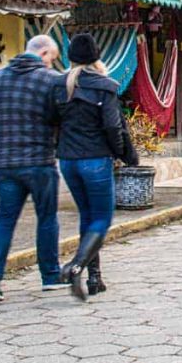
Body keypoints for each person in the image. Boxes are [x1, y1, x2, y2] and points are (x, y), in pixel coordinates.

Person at [53, 33, 138, 301]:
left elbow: (52, 123)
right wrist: (124, 155)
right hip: (95, 160)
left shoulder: (58, 86)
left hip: (68, 161)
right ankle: (76, 266)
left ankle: (95, 277)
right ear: (97, 57)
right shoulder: (105, 87)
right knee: (102, 218)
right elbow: (114, 126)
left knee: (88, 218)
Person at [0, 35, 64, 302]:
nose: (52, 63)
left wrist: (5, 143)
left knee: (4, 219)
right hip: (40, 161)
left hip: (5, 162)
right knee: (47, 218)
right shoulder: (50, 80)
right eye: (52, 57)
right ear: (43, 53)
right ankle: (50, 276)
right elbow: (59, 119)